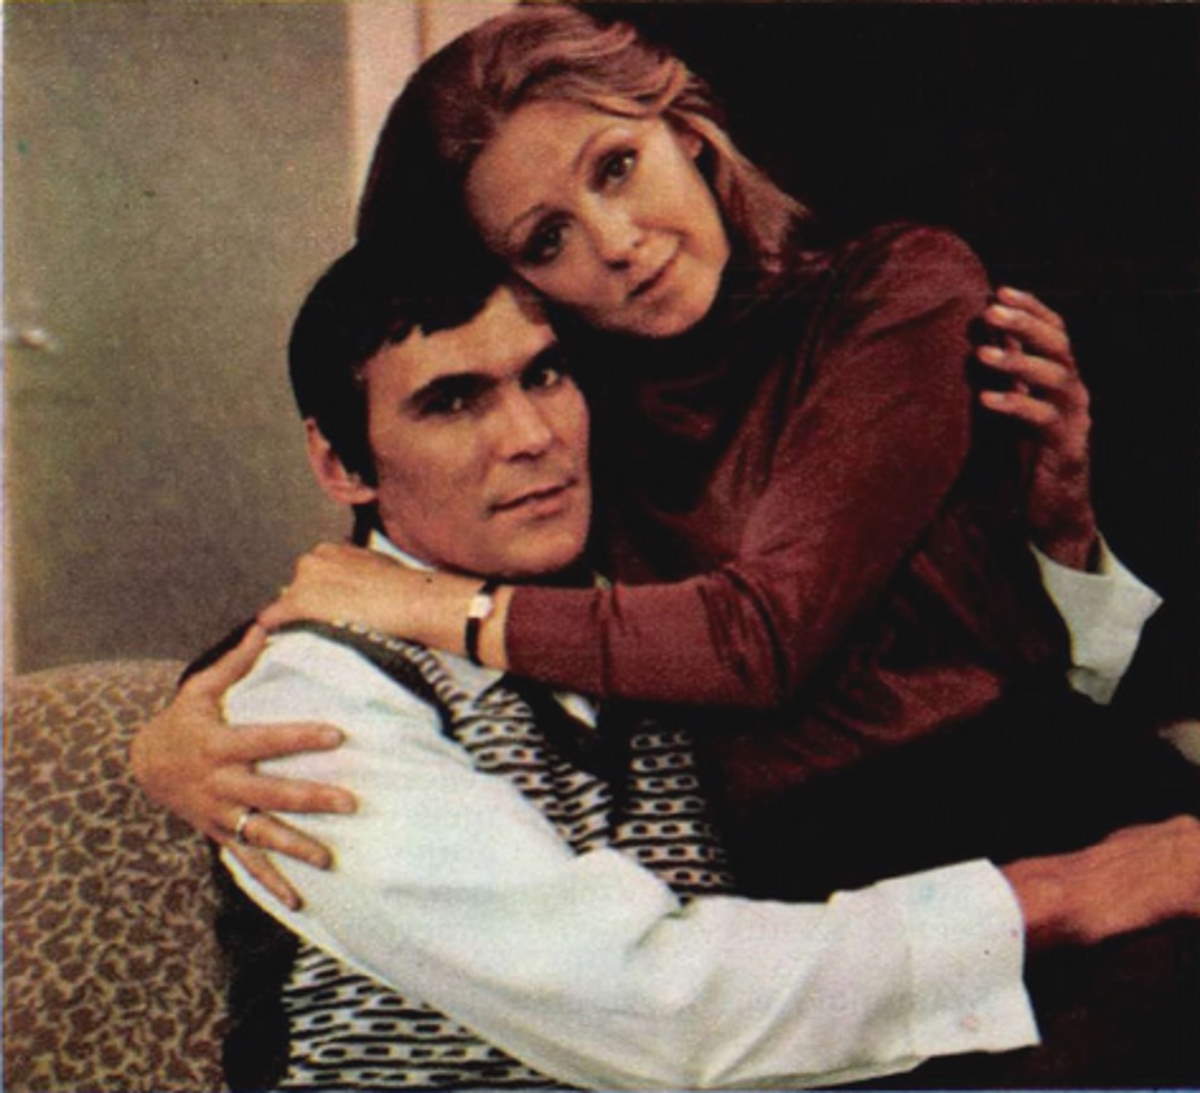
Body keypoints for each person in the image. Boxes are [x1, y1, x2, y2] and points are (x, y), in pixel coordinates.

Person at [133, 6, 1182, 901]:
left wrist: (434, 607)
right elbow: (375, 571)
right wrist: (180, 728)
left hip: (1053, 823)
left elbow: (765, 638)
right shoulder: (569, 407)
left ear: (684, 129)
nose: (619, 243)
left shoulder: (895, 291)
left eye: (618, 168)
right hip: (806, 914)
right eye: (547, 239)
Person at [206, 241, 1200, 1090]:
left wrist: (1055, 530)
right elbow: (648, 1003)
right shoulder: (311, 696)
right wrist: (1068, 894)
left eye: (545, 375)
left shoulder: (649, 611)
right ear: (340, 463)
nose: (533, 438)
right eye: (453, 401)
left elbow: (940, 734)